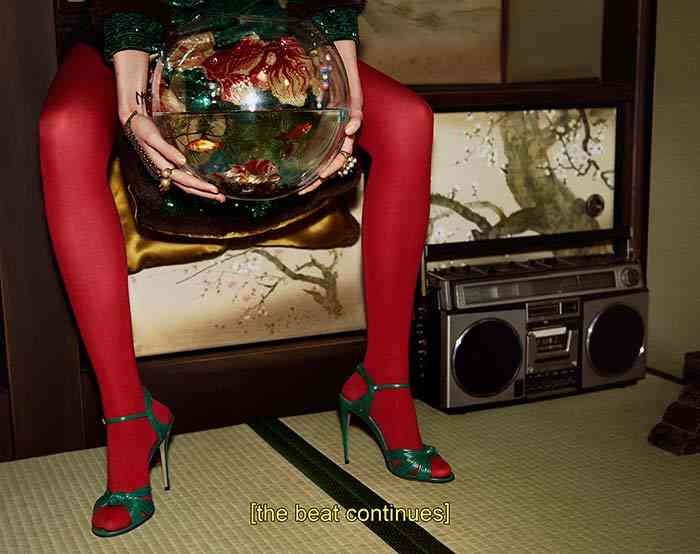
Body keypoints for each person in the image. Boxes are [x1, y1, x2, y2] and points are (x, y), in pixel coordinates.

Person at [39, 0, 454, 538]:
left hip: (260, 19)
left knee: (408, 118)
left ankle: (385, 385)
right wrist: (132, 104)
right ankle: (128, 417)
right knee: (63, 127)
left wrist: (345, 103)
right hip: (133, 24)